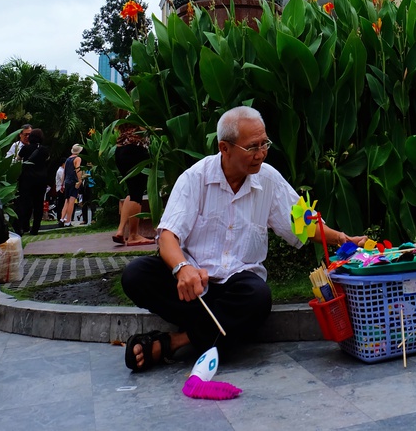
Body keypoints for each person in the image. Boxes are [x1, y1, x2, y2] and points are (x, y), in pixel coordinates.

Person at [121, 107, 366, 372]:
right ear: (224, 148)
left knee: (258, 298)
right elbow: (168, 236)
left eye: (264, 144)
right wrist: (183, 268)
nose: (260, 154)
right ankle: (219, 329)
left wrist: (342, 239)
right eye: (252, 147)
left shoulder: (268, 179)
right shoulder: (195, 178)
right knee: (136, 275)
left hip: (238, 286)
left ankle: (173, 342)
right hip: (193, 287)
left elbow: (303, 224)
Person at [112, 123, 155, 246]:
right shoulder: (137, 106)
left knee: (131, 191)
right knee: (137, 193)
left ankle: (120, 231)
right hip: (135, 149)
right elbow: (143, 127)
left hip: (120, 150)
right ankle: (133, 235)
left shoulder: (122, 109)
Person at [17, 128, 50, 235]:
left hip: (27, 179)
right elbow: (47, 161)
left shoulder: (25, 148)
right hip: (41, 180)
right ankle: (35, 228)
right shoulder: (45, 150)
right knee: (38, 204)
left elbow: (18, 159)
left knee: (25, 203)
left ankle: (24, 226)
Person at [60, 144, 83, 226]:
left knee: (66, 201)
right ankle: (68, 221)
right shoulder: (77, 158)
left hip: (67, 181)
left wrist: (62, 184)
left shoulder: (68, 159)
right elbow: (78, 169)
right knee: (72, 201)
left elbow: (64, 172)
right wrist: (80, 180)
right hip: (73, 181)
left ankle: (62, 218)